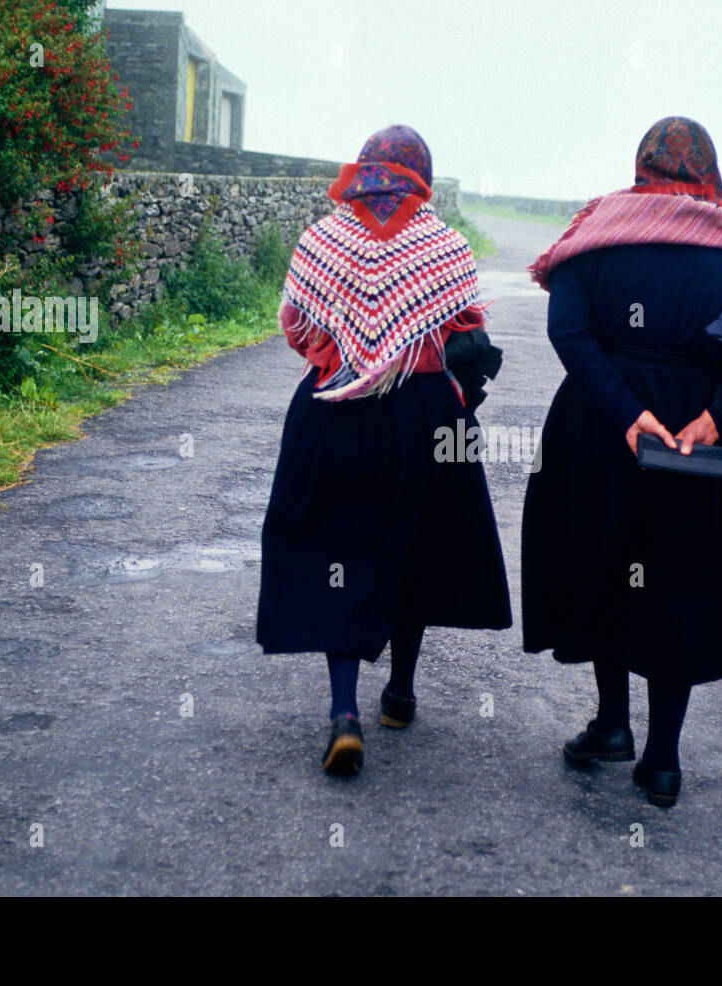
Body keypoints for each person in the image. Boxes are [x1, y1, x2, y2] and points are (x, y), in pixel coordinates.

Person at [521, 116, 722, 808]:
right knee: (677, 579)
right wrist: (716, 419)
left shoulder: (600, 230)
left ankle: (612, 724)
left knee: (608, 567)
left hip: (599, 429)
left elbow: (567, 328)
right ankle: (663, 760)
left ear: (642, 163)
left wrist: (624, 413)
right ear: (708, 169)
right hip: (697, 443)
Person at [257, 125, 512, 777]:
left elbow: (295, 324)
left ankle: (345, 713)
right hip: (422, 418)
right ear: (421, 176)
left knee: (336, 556)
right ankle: (398, 694)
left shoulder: (323, 237)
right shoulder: (444, 244)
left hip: (333, 413)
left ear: (366, 169)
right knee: (414, 548)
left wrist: (342, 361)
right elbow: (471, 333)